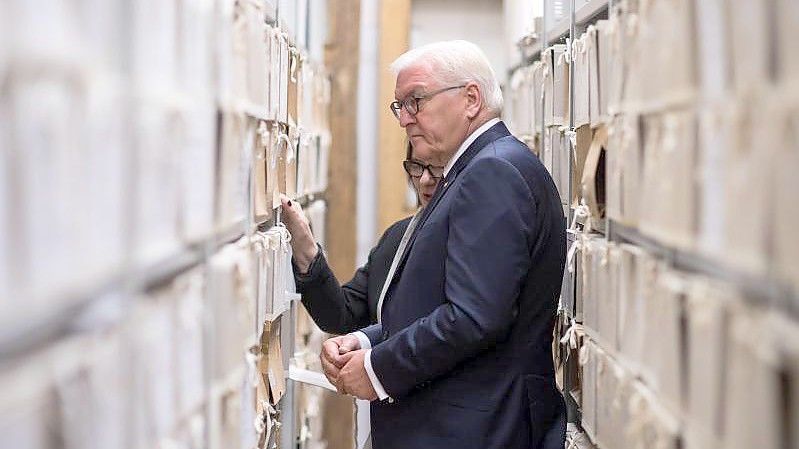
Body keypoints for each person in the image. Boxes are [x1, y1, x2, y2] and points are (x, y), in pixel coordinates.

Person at [321, 40, 568, 449]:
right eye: (400, 106)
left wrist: (378, 368)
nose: (405, 119)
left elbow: (474, 318)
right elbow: (450, 300)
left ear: (471, 99)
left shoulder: (492, 171)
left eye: (415, 100)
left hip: (475, 429)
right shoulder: (480, 167)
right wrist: (368, 340)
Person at [280, 142, 441, 334]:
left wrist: (367, 346)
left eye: (437, 167)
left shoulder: (469, 243)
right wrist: (306, 251)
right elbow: (342, 315)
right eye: (417, 166)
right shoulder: (398, 237)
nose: (424, 179)